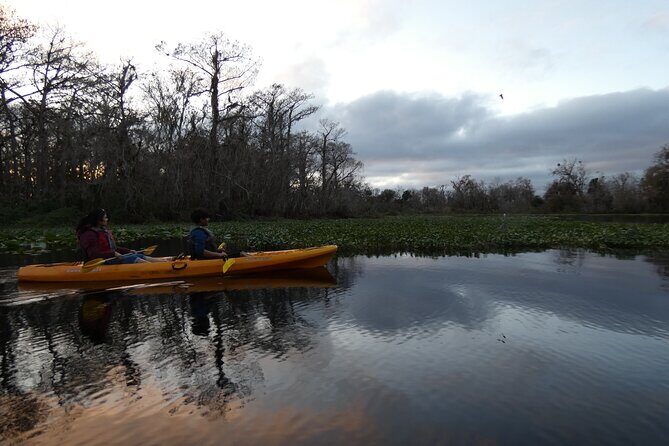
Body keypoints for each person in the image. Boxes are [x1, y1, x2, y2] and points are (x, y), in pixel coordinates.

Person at [75, 209, 165, 264]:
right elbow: (93, 254)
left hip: (110, 258)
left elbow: (113, 248)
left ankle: (165, 264)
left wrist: (129, 251)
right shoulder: (89, 234)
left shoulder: (103, 231)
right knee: (132, 258)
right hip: (99, 262)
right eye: (105, 217)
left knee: (138, 254)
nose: (107, 219)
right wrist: (113, 254)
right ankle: (156, 268)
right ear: (99, 220)